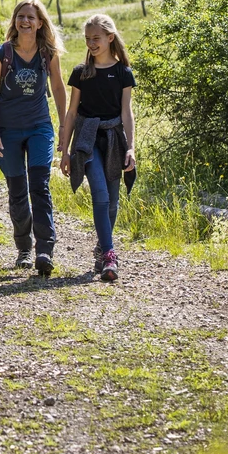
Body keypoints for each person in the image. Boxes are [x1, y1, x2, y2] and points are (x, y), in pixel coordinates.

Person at [0, 0, 67, 276]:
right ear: (15, 21)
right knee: (17, 191)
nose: (25, 21)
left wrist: (65, 124)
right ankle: (24, 249)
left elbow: (57, 87)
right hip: (8, 131)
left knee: (40, 186)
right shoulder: (2, 53)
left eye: (31, 17)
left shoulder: (48, 53)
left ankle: (45, 249)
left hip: (39, 127)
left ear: (40, 22)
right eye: (21, 16)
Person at [59, 14, 136, 282]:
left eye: (96, 38)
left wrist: (132, 148)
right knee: (100, 195)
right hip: (88, 140)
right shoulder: (81, 73)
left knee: (113, 202)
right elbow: (71, 113)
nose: (91, 43)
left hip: (114, 140)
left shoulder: (123, 73)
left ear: (110, 38)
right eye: (87, 39)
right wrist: (65, 150)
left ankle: (102, 249)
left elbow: (126, 113)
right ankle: (110, 255)